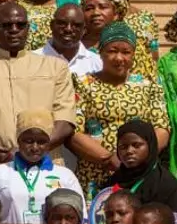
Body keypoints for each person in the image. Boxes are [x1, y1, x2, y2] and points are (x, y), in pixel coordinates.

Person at [0, 1, 76, 183]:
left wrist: (34, 152)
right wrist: (3, 154)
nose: (14, 29)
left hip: (46, 167)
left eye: (20, 25)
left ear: (28, 28)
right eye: (6, 25)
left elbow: (65, 120)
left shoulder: (55, 66)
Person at [70, 22, 171, 195]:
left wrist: (136, 158)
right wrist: (110, 158)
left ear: (133, 55)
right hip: (96, 173)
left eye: (126, 52)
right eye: (112, 51)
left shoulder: (148, 86)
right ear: (100, 53)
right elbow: (74, 131)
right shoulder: (83, 84)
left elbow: (162, 127)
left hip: (139, 174)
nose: (119, 58)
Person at [0, 110, 82, 224]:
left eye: (41, 142)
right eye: (28, 141)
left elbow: (80, 223)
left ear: (49, 142)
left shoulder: (64, 175)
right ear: (18, 141)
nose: (34, 147)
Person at [104, 0, 160, 81]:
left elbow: (154, 53)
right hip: (115, 81)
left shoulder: (146, 17)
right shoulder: (104, 18)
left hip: (145, 82)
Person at [35, 3, 101, 76]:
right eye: (62, 23)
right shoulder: (31, 60)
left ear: (84, 30)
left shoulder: (96, 63)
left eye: (76, 25)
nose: (68, 29)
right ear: (52, 25)